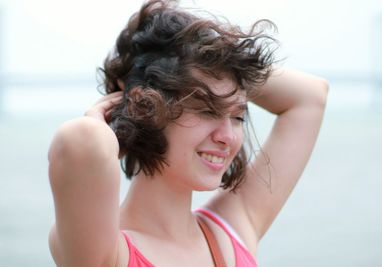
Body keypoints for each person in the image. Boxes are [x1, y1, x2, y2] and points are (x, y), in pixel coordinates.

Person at [47, 0, 328, 266]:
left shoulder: (230, 232)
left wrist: (227, 64)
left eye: (238, 116)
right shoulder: (104, 251)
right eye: (207, 110)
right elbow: (81, 142)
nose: (227, 136)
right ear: (145, 106)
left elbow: (311, 95)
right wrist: (126, 118)